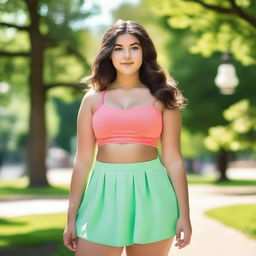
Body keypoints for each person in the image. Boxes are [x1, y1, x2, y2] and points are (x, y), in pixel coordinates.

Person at [63, 19, 192, 256]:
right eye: (118, 48)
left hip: (152, 192)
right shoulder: (92, 99)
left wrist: (185, 214)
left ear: (145, 52)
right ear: (108, 54)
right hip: (101, 192)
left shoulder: (164, 95)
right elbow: (82, 160)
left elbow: (173, 158)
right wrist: (71, 217)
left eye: (134, 47)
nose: (127, 55)